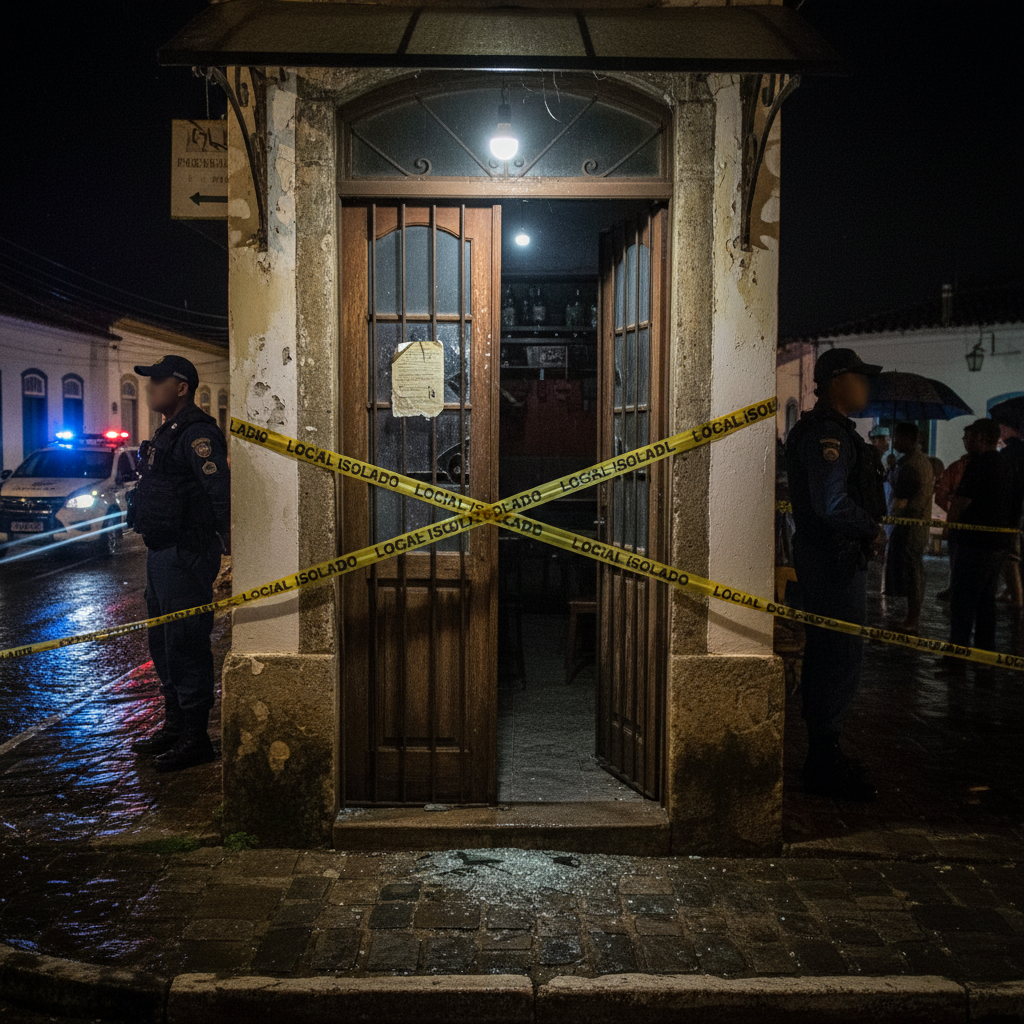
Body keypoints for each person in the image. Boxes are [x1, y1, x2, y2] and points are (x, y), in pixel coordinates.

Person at [785, 347, 887, 801]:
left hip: (828, 559)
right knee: (839, 656)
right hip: (833, 560)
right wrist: (871, 528)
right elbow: (831, 504)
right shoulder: (829, 434)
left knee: (830, 654)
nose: (865, 385)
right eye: (859, 377)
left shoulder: (832, 431)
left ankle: (824, 752)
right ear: (837, 381)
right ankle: (823, 759)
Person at [127, 355, 230, 772]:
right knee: (164, 644)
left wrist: (225, 550)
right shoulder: (168, 432)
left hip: (187, 552)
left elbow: (218, 494)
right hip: (162, 550)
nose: (150, 388)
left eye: (158, 381)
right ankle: (174, 725)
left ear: (182, 386)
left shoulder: (197, 434)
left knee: (186, 642)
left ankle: (195, 737)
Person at [947, 418, 1015, 655]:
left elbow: (961, 501)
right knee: (986, 601)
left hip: (974, 542)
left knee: (963, 599)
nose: (965, 441)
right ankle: (985, 652)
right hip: (997, 543)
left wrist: (951, 528)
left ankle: (957, 652)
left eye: (969, 437)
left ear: (980, 438)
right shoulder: (1004, 464)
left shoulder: (979, 464)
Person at [884, 422, 935, 633]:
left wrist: (889, 523)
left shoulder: (912, 466)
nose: (894, 442)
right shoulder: (917, 462)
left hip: (909, 527)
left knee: (912, 572)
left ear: (909, 439)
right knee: (913, 570)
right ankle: (911, 617)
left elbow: (901, 500)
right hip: (916, 526)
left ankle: (912, 619)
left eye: (897, 438)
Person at [933, 423, 979, 602]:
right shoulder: (957, 467)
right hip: (959, 523)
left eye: (968, 438)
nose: (966, 442)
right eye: (965, 439)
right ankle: (955, 587)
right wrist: (953, 510)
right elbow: (941, 493)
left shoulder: (982, 466)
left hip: (978, 525)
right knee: (956, 559)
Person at [994, 417, 1024, 611]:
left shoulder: (1007, 454)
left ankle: (1017, 598)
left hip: (1009, 514)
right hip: (1018, 511)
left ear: (1007, 428)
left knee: (1010, 557)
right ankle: (1011, 592)